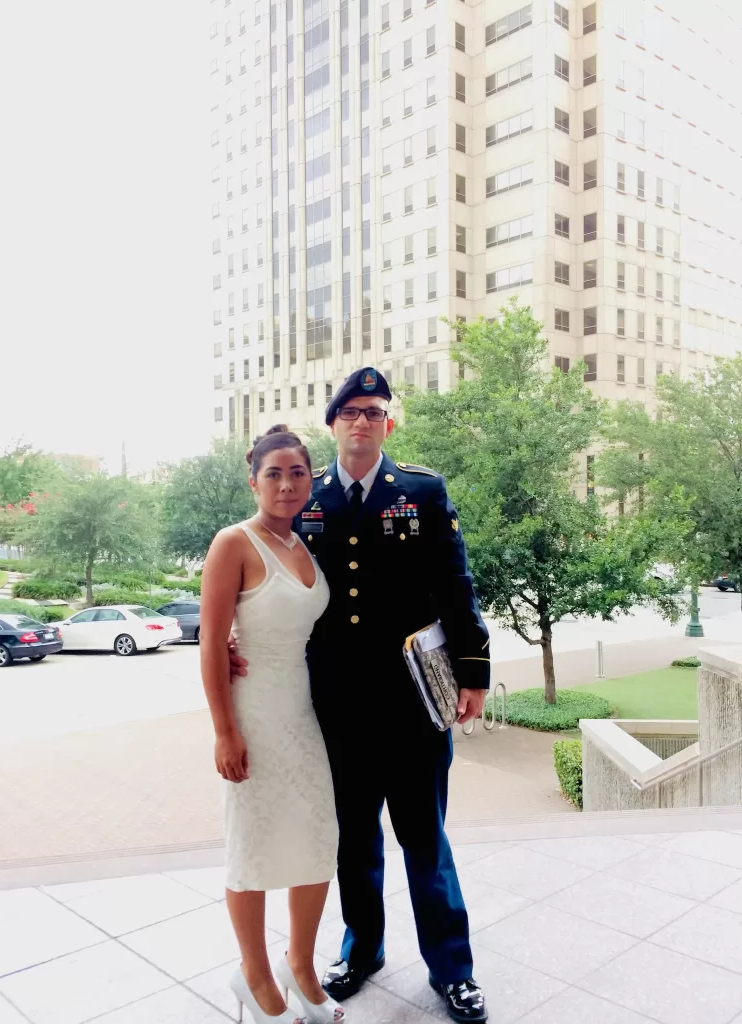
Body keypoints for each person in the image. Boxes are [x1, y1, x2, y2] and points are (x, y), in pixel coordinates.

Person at [233, 367, 491, 1023]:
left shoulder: (423, 492)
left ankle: (453, 970)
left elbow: (456, 585)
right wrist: (237, 630)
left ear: (388, 425)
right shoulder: (307, 498)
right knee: (352, 843)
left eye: (373, 412)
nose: (361, 421)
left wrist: (475, 671)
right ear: (332, 426)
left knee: (424, 842)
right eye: (349, 412)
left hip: (413, 703)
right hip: (336, 709)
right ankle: (362, 950)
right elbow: (268, 575)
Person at [200, 425, 345, 1024]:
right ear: (253, 479)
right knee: (253, 846)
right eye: (274, 473)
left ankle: (302, 966)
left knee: (316, 840)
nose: (287, 484)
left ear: (311, 480)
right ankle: (255, 977)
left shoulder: (305, 544)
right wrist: (225, 730)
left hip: (301, 712)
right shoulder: (234, 543)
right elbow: (211, 641)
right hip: (253, 713)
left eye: (298, 473)